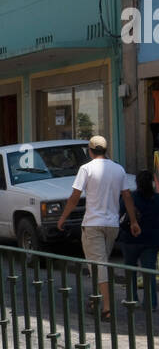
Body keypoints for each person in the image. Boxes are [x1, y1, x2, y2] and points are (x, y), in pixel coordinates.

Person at [58, 135, 139, 320]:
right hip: (112, 225)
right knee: (98, 264)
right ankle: (95, 300)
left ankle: (107, 309)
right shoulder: (118, 169)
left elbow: (74, 196)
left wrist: (63, 217)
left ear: (90, 150)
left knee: (99, 265)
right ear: (106, 149)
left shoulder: (85, 169)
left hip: (93, 224)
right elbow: (127, 197)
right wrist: (133, 221)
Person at [119, 169, 159, 310]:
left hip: (130, 239)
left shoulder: (130, 198)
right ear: (152, 183)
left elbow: (121, 216)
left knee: (130, 270)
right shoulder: (157, 199)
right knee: (149, 272)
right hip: (151, 241)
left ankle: (132, 299)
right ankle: (151, 303)